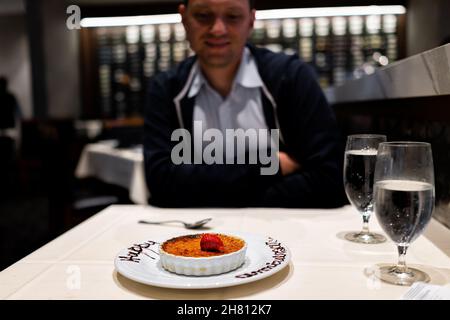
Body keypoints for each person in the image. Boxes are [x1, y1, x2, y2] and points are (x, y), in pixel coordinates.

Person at [143, 0, 346, 208]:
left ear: (251, 20)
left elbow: (330, 182)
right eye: (204, 15)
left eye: (232, 16)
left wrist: (208, 190)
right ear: (184, 18)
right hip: (197, 236)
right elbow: (161, 185)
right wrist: (270, 167)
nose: (217, 29)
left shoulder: (291, 78)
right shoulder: (166, 89)